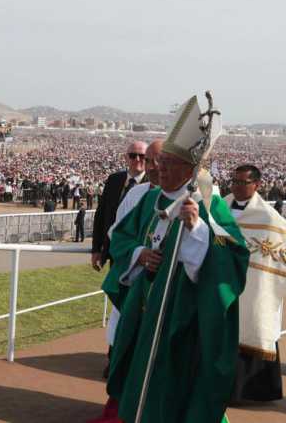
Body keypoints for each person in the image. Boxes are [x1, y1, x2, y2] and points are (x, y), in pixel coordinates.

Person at [97, 99, 249, 423]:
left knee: (174, 396)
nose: (158, 169)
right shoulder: (151, 197)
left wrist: (197, 229)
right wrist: (139, 255)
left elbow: (234, 254)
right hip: (144, 313)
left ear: (189, 169)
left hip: (183, 319)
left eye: (167, 163)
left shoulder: (210, 206)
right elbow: (122, 238)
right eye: (158, 162)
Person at [224, 164, 286, 403]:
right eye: (234, 181)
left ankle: (247, 391)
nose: (237, 187)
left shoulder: (270, 219)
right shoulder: (220, 207)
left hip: (253, 286)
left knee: (251, 323)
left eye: (243, 182)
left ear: (257, 185)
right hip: (222, 282)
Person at [102, 139, 163, 379]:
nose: (151, 166)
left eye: (157, 161)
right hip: (135, 278)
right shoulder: (137, 193)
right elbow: (116, 232)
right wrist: (139, 253)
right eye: (148, 161)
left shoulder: (198, 198)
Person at [91, 141, 148, 273]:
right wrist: (96, 249)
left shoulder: (153, 184)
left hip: (139, 252)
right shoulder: (114, 179)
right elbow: (101, 215)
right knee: (115, 291)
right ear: (126, 158)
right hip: (114, 251)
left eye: (142, 156)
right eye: (133, 155)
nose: (138, 159)